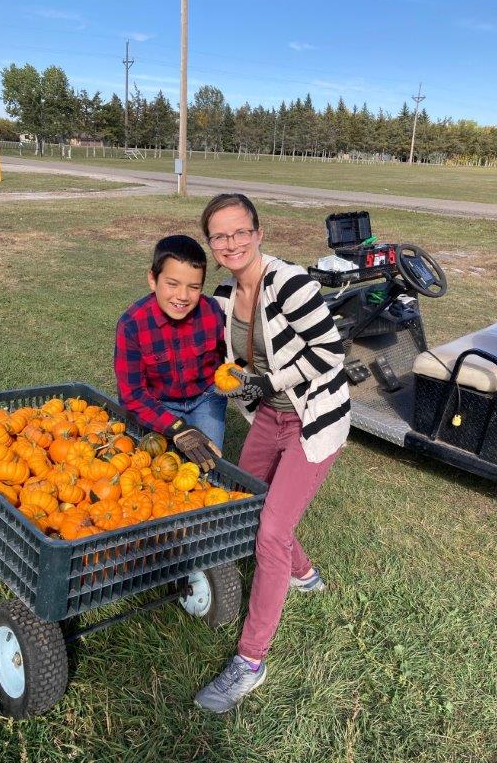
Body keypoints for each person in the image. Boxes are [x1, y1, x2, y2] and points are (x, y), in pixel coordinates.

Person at [194, 194, 351, 712]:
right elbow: (224, 357)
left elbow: (331, 352)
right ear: (212, 245)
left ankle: (251, 661)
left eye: (240, 231)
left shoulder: (290, 284)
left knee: (270, 530)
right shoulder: (223, 294)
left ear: (258, 233)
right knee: (243, 499)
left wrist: (267, 380)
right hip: (268, 416)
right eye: (220, 235)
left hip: (313, 419)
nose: (232, 242)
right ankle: (303, 573)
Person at [114, 234, 226, 471]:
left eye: (193, 287)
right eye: (172, 284)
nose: (183, 296)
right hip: (159, 403)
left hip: (205, 398)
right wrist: (176, 428)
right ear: (153, 280)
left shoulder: (212, 311)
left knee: (208, 465)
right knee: (158, 470)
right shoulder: (132, 325)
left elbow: (226, 360)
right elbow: (132, 394)